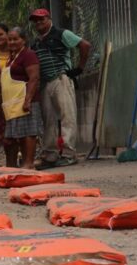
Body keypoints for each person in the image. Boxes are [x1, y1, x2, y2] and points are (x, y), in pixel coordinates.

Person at [29, 9, 91, 168]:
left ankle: (69, 154)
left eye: (41, 19)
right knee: (48, 119)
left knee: (67, 116)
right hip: (45, 82)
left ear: (49, 19)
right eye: (35, 21)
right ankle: (50, 155)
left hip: (61, 78)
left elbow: (84, 45)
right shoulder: (36, 42)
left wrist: (79, 68)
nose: (38, 23)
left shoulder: (62, 33)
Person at [3, 27, 42, 169]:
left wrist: (28, 100)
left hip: (25, 100)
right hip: (12, 104)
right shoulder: (11, 57)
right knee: (11, 138)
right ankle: (12, 165)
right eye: (10, 39)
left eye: (15, 39)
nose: (12, 42)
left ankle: (28, 163)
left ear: (23, 40)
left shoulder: (28, 55)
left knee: (28, 133)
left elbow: (34, 77)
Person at [0, 23, 19, 166]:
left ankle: (23, 160)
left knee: (19, 129)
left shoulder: (16, 50)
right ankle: (10, 163)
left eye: (0, 34)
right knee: (5, 131)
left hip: (18, 94)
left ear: (8, 34)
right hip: (0, 96)